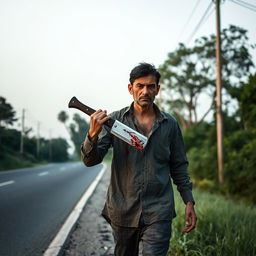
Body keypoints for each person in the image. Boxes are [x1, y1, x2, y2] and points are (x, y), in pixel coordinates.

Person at [81, 63, 197, 256]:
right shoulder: (115, 121)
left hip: (159, 211)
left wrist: (189, 202)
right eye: (140, 86)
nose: (145, 91)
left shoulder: (170, 125)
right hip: (123, 209)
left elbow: (179, 166)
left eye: (151, 86)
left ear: (157, 90)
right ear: (130, 88)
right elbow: (90, 161)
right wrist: (92, 135)